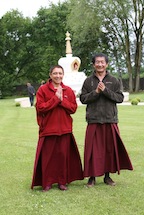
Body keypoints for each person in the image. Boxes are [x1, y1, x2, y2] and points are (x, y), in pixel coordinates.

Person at [80, 53, 133, 187]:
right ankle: (91, 177)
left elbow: (119, 98)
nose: (100, 64)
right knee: (92, 150)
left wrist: (105, 90)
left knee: (109, 150)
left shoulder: (114, 80)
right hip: (94, 120)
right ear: (93, 64)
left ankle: (107, 176)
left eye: (102, 62)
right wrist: (96, 92)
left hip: (110, 119)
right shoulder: (88, 81)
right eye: (97, 62)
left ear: (107, 64)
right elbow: (83, 99)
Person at [31, 65, 83, 191]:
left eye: (60, 73)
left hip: (65, 129)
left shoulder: (68, 90)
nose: (58, 76)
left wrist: (61, 101)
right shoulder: (43, 90)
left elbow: (73, 109)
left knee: (62, 157)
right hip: (48, 129)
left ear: (63, 75)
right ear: (50, 75)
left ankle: (62, 182)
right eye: (55, 73)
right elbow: (40, 107)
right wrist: (55, 99)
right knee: (48, 158)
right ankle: (47, 182)